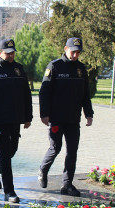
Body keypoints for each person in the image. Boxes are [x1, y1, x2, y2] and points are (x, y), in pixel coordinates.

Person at [38, 37, 94, 197]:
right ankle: (43, 169)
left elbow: (85, 94)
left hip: (73, 118)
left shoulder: (81, 69)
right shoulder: (55, 66)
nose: (75, 55)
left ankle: (67, 184)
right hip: (56, 117)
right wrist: (44, 114)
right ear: (65, 49)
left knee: (72, 151)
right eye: (73, 51)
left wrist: (88, 114)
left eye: (78, 52)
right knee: (55, 147)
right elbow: (44, 91)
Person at [0, 39, 33, 203]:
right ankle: (9, 191)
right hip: (0, 120)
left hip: (16, 118)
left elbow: (26, 94)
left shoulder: (19, 69)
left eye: (12, 52)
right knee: (4, 154)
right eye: (7, 53)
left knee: (12, 150)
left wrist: (28, 116)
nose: (11, 55)